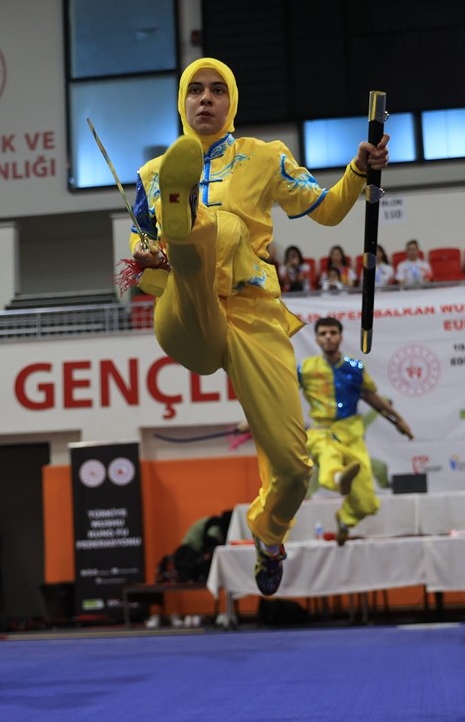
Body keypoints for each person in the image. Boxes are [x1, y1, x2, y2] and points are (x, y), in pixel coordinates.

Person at [127, 57, 389, 595]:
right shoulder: (151, 176)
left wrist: (359, 170)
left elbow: (330, 210)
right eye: (194, 90)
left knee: (296, 469)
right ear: (181, 101)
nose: (205, 99)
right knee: (208, 234)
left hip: (253, 315)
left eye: (217, 90)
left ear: (232, 102)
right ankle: (187, 229)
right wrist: (148, 253)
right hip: (187, 311)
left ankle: (268, 536)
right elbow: (137, 250)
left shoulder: (265, 158)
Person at [298, 317, 413, 544]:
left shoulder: (355, 368)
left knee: (368, 504)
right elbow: (282, 395)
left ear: (340, 336)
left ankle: (344, 519)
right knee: (329, 458)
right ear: (317, 339)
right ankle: (339, 477)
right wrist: (254, 420)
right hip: (321, 432)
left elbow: (371, 397)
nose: (328, 337)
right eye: (323, 333)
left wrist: (399, 420)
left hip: (352, 434)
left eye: (333, 332)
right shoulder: (306, 369)